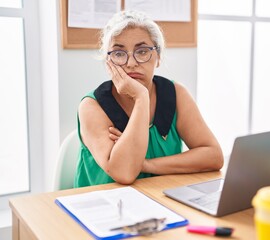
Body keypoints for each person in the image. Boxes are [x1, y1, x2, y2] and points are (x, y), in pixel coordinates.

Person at [75, 10, 223, 187]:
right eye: (119, 54)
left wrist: (145, 164)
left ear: (158, 57)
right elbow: (124, 173)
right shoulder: (92, 106)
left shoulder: (176, 94)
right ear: (108, 63)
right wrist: (141, 97)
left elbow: (213, 156)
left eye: (142, 51)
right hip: (104, 206)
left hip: (162, 201)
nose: (131, 63)